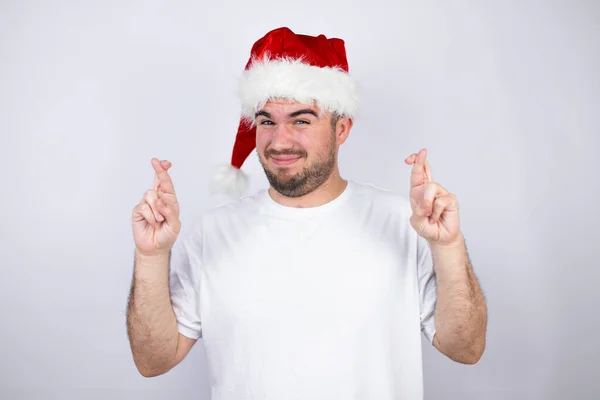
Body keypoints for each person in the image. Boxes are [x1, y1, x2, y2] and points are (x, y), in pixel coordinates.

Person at [126, 27, 487, 399]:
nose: (279, 141)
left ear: (342, 128)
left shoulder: (402, 223)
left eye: (301, 120)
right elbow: (154, 361)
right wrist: (151, 256)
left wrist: (448, 246)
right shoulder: (213, 233)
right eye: (267, 121)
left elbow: (465, 348)